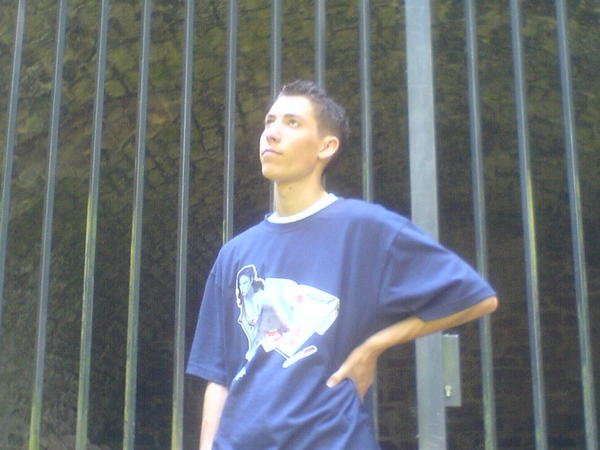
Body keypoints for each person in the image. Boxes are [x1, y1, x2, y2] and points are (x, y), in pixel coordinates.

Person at [187, 80, 498, 450]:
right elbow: (218, 375)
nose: (272, 133)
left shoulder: (366, 228)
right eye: (270, 121)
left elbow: (476, 298)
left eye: (292, 122)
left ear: (326, 146)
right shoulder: (235, 253)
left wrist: (374, 346)